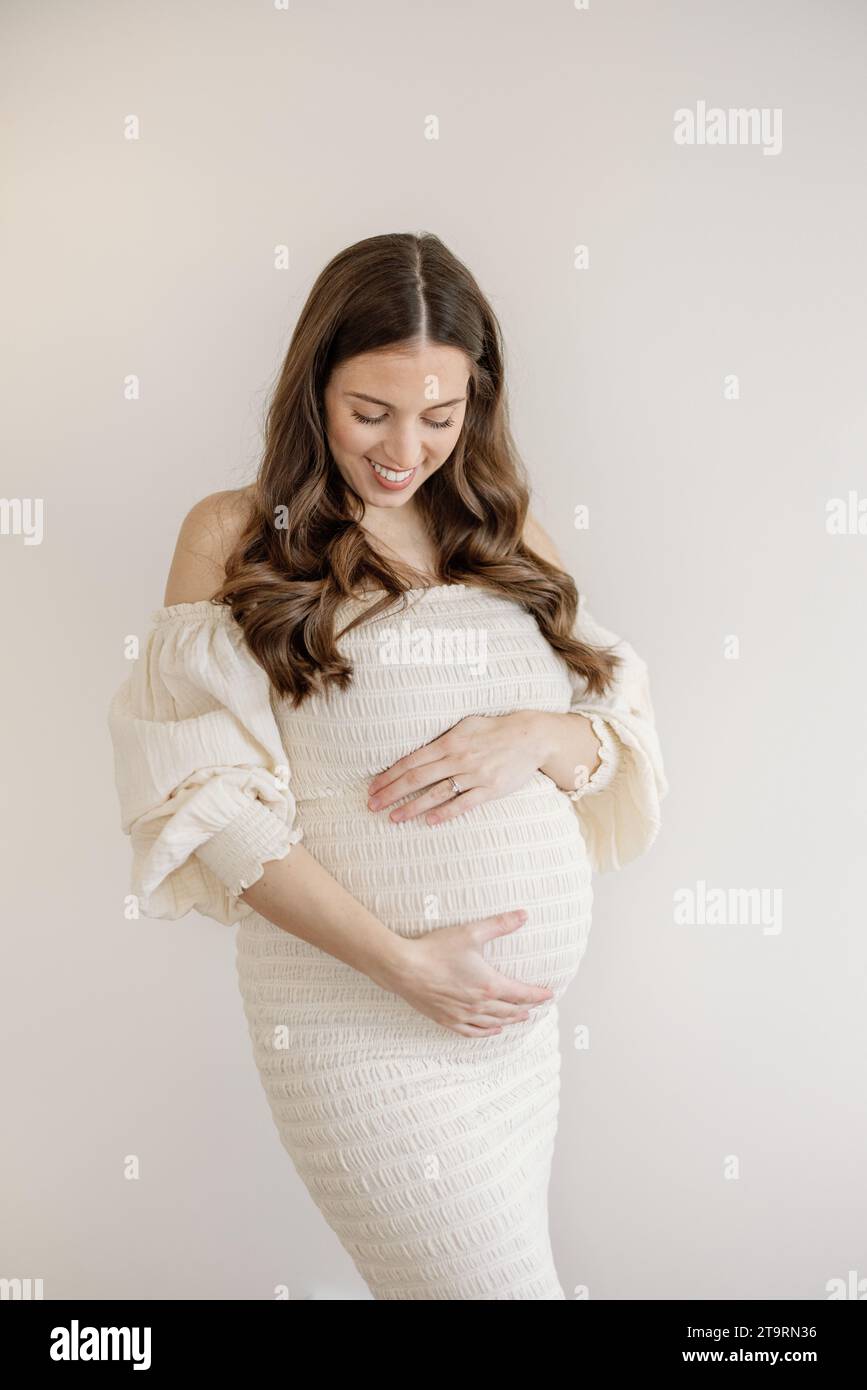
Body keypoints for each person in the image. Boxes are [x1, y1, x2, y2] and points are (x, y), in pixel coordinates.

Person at [107, 230, 669, 1300]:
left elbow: (617, 722)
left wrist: (538, 737)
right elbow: (205, 802)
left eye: (441, 416)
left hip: (510, 1039)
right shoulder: (236, 534)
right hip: (357, 1017)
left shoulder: (504, 531)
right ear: (313, 383)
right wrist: (405, 966)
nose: (405, 447)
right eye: (371, 412)